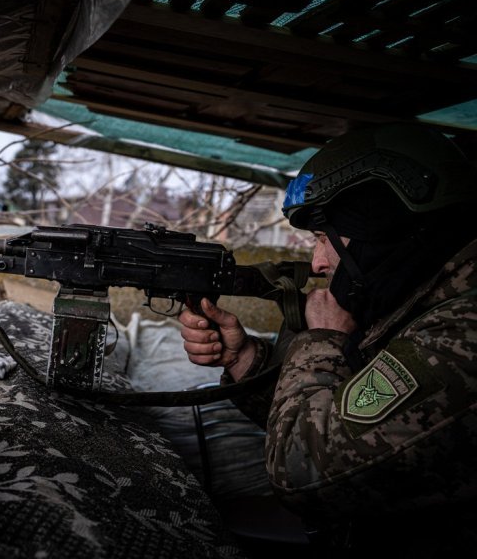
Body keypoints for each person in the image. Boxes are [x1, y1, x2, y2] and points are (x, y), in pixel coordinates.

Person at [179, 122, 476, 557]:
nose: (317, 262)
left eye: (324, 238)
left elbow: (303, 474)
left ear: (379, 226)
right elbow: (341, 425)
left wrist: (322, 339)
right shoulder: (415, 299)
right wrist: (246, 362)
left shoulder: (459, 331)